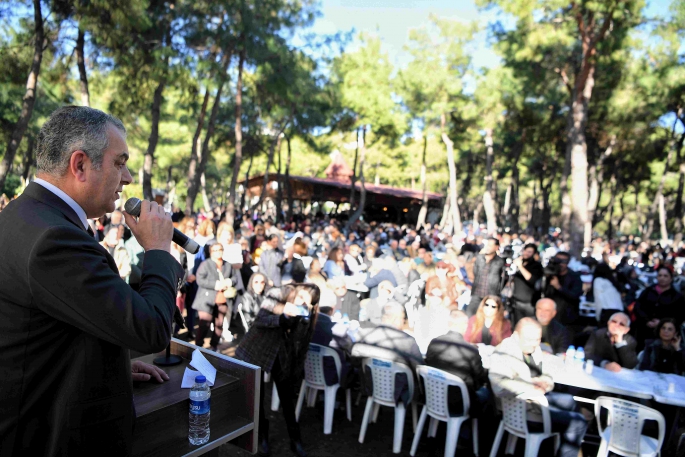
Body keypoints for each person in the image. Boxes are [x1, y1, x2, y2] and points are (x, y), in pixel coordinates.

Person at [0, 106, 184, 455]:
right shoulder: (53, 238)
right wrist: (159, 249)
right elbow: (152, 330)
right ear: (80, 165)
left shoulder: (25, 214)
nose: (127, 177)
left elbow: (46, 328)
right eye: (119, 163)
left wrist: (107, 366)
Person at [235, 284, 320, 457]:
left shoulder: (305, 313)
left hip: (281, 355)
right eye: (301, 297)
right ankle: (262, 437)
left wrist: (300, 320)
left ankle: (295, 440)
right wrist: (282, 318)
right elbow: (260, 319)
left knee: (287, 398)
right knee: (257, 396)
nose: (301, 302)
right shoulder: (278, 293)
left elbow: (300, 344)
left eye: (307, 303)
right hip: (257, 348)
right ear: (298, 290)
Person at [489, 318, 589, 457]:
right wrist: (530, 386)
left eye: (537, 339)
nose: (534, 343)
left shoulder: (536, 350)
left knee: (570, 401)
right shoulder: (504, 352)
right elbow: (498, 386)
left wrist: (544, 382)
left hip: (537, 400)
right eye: (529, 339)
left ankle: (564, 448)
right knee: (578, 423)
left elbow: (549, 374)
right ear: (516, 335)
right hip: (522, 410)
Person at [425, 310, 490, 417]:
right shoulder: (470, 349)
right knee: (487, 392)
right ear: (464, 326)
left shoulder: (435, 342)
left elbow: (427, 364)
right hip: (459, 401)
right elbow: (479, 377)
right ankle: (481, 430)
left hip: (433, 395)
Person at [352, 301, 424, 392]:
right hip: (399, 393)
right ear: (395, 319)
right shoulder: (408, 341)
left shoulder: (363, 334)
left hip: (370, 387)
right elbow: (420, 370)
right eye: (403, 318)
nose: (404, 321)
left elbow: (354, 361)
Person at [192, 241, 244, 351]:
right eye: (215, 250)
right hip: (207, 298)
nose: (218, 252)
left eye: (220, 249)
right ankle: (198, 346)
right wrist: (215, 284)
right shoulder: (206, 264)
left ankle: (214, 345)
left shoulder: (227, 265)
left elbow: (235, 278)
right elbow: (199, 279)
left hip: (223, 299)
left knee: (219, 323)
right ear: (211, 252)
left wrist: (229, 282)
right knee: (204, 323)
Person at [633, 265, 685, 349]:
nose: (662, 278)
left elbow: (679, 315)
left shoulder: (676, 296)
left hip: (665, 334)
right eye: (660, 275)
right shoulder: (648, 291)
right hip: (644, 331)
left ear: (671, 278)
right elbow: (638, 307)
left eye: (665, 276)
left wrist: (661, 322)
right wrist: (646, 320)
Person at [467, 237, 505, 317]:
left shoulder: (500, 262)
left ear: (496, 247)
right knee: (469, 316)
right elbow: (474, 272)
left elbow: (503, 279)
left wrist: (498, 292)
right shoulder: (479, 258)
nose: (487, 247)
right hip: (476, 293)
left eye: (490, 245)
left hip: (491, 295)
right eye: (487, 244)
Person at [544, 251, 583, 326]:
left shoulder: (574, 277)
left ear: (567, 263)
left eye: (563, 261)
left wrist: (559, 287)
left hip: (567, 318)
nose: (560, 264)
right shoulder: (550, 274)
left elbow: (575, 296)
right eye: (557, 260)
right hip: (550, 316)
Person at [510, 243, 544, 325]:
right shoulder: (520, 262)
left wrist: (520, 266)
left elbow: (531, 279)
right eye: (525, 251)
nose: (526, 253)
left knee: (529, 326)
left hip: (529, 304)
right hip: (517, 302)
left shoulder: (537, 266)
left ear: (534, 254)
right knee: (517, 325)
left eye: (529, 252)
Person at [592, 262, 624, 327]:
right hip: (619, 312)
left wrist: (598, 317)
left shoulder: (598, 281)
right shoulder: (612, 282)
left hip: (607, 313)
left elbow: (599, 300)